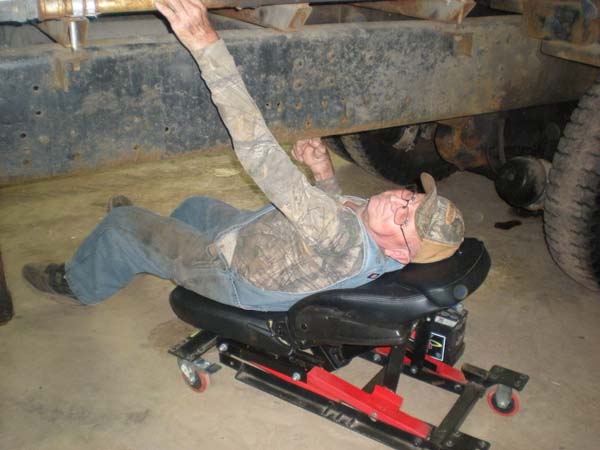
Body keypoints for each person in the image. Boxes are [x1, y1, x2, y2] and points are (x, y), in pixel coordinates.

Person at [22, 0, 464, 312]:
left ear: (403, 254)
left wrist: (207, 46)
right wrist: (324, 169)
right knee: (196, 207)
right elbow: (336, 218)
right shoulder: (374, 239)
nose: (397, 203)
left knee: (122, 226)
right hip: (258, 241)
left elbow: (259, 153)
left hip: (233, 273)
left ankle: (79, 283)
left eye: (405, 219)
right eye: (412, 200)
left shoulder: (344, 238)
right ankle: (143, 247)